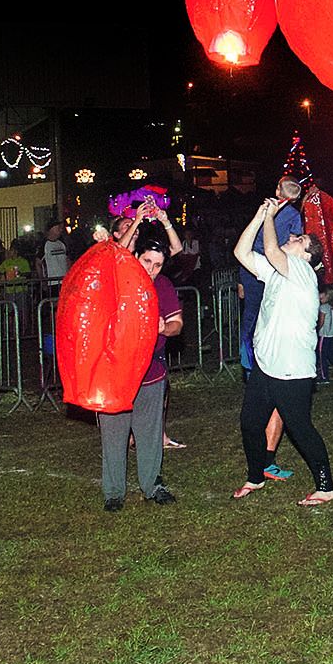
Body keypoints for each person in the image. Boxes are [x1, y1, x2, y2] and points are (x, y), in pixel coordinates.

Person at [231, 195, 333, 505]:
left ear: (306, 254)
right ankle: (255, 477)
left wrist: (270, 217)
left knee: (300, 429)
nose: (292, 238)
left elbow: (273, 249)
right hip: (266, 365)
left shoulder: (302, 273)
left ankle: (326, 486)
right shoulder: (279, 271)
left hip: (291, 369)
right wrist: (260, 212)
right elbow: (241, 252)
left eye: (298, 238)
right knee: (250, 422)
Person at [99, 205, 184, 509]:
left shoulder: (163, 285)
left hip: (151, 373)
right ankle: (113, 492)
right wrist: (135, 222)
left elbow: (177, 323)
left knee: (149, 434)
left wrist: (167, 328)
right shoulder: (118, 280)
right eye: (146, 261)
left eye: (158, 264)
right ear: (135, 256)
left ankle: (152, 484)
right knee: (114, 434)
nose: (151, 269)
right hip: (116, 373)